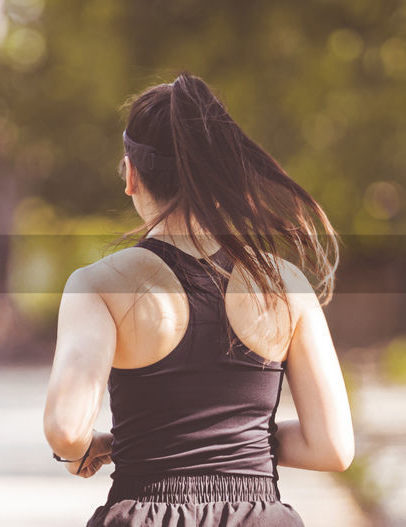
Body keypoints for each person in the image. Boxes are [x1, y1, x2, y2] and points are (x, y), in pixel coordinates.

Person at [42, 73, 355, 526]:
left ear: (132, 175)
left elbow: (66, 431)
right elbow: (332, 448)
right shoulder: (285, 284)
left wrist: (96, 447)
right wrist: (238, 445)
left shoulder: (99, 286)